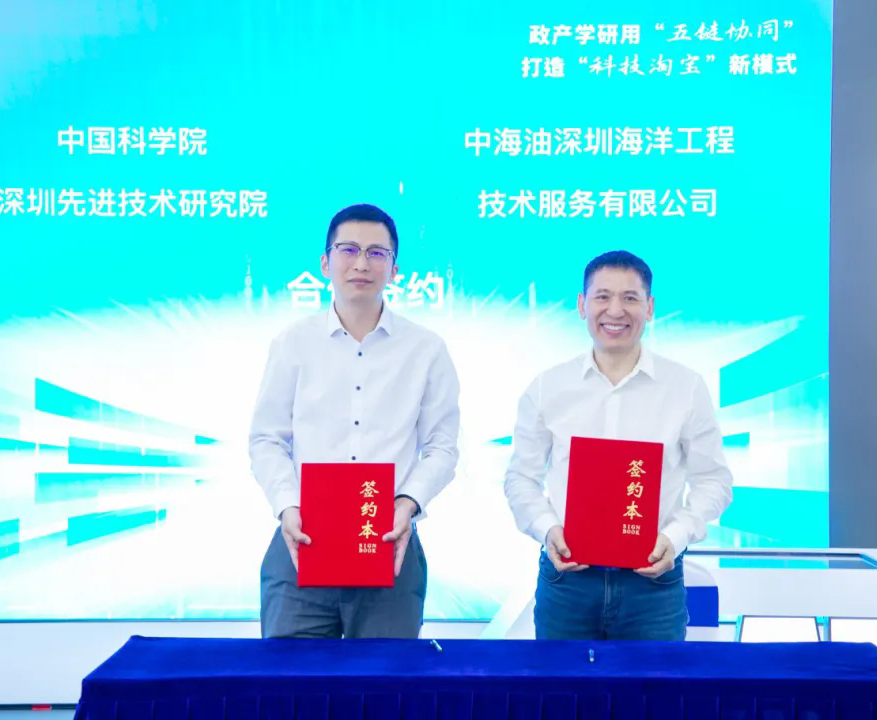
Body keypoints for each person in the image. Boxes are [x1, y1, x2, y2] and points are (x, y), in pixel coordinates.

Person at [248, 203, 460, 638]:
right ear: (325, 263)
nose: (361, 263)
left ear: (395, 270)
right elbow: (267, 439)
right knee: (290, 679)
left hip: (389, 543)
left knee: (383, 680)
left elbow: (442, 446)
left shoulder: (426, 349)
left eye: (376, 253)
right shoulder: (293, 343)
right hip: (302, 542)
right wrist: (288, 505)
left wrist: (408, 503)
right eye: (348, 250)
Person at [503, 250, 733, 641]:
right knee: (563, 683)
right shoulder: (548, 387)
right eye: (602, 297)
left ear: (650, 307)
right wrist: (547, 529)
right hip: (568, 583)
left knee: (654, 684)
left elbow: (714, 481)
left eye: (630, 298)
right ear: (582, 305)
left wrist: (674, 538)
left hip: (652, 587)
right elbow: (520, 478)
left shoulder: (685, 387)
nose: (615, 311)